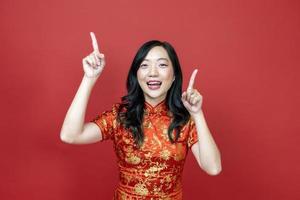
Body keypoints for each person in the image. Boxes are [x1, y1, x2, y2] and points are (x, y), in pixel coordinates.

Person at [60, 32, 222, 200]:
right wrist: (89, 78)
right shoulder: (120, 117)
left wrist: (197, 114)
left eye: (162, 65)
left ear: (174, 76)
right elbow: (70, 135)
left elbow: (213, 168)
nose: (152, 72)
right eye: (144, 65)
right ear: (136, 75)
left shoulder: (183, 120)